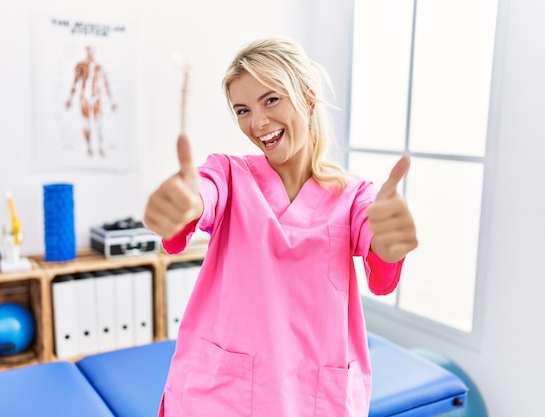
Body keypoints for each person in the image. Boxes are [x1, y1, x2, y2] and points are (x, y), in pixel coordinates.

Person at [144, 37, 418, 417]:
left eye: (271, 99)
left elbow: (380, 252)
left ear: (307, 99)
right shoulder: (227, 173)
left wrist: (391, 238)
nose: (257, 123)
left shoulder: (355, 196)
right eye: (242, 110)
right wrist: (186, 204)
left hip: (315, 398)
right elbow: (201, 196)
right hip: (221, 397)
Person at [65, 45, 117, 157]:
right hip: (84, 97)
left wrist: (111, 101)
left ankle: (100, 147)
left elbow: (105, 83)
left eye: (92, 51)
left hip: (96, 97)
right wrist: (70, 99)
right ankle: (89, 147)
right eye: (88, 51)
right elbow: (75, 82)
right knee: (86, 123)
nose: (90, 53)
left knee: (98, 123)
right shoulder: (81, 66)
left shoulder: (99, 66)